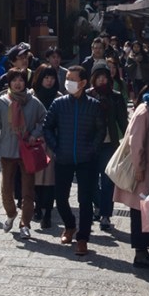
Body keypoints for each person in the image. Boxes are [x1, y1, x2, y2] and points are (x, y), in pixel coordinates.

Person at [43, 65, 105, 256]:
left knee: (85, 199)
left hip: (87, 160)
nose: (67, 82)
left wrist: (93, 149)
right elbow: (47, 127)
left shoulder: (94, 105)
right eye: (67, 78)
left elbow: (100, 131)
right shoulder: (59, 104)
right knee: (60, 197)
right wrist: (56, 147)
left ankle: (83, 238)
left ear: (83, 83)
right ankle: (69, 225)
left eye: (72, 79)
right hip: (63, 157)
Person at [0, 70, 46, 240]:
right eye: (14, 80)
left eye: (21, 80)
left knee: (28, 190)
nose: (18, 83)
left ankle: (25, 224)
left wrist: (35, 133)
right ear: (9, 83)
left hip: (27, 150)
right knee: (6, 188)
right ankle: (11, 213)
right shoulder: (2, 103)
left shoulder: (33, 102)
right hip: (7, 151)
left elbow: (45, 119)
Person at [114, 80, 149, 268]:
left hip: (147, 167)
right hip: (143, 169)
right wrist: (139, 169)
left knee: (145, 209)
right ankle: (141, 253)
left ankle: (144, 251)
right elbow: (136, 144)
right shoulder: (145, 111)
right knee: (139, 211)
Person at [90, 65, 128, 231]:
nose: (101, 80)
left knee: (107, 181)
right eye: (98, 77)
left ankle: (105, 213)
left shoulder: (116, 97)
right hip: (91, 143)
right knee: (90, 180)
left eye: (104, 77)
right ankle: (98, 204)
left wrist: (127, 140)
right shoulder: (88, 95)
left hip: (109, 143)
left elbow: (122, 120)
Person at [29, 64, 61, 229]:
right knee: (35, 178)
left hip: (52, 143)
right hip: (33, 143)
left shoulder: (59, 97)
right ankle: (37, 207)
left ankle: (47, 212)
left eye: (52, 78)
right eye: (46, 78)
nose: (49, 81)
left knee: (49, 180)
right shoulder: (31, 97)